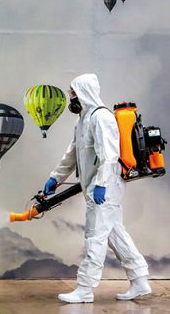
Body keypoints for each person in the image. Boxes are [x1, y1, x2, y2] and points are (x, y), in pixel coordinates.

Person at [44, 73, 150, 303]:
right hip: (95, 186)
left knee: (94, 236)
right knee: (114, 233)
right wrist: (55, 178)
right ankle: (140, 280)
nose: (71, 97)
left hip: (105, 187)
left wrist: (101, 185)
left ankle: (85, 288)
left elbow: (110, 156)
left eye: (73, 92)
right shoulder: (82, 119)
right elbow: (72, 154)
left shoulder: (102, 118)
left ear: (84, 92)